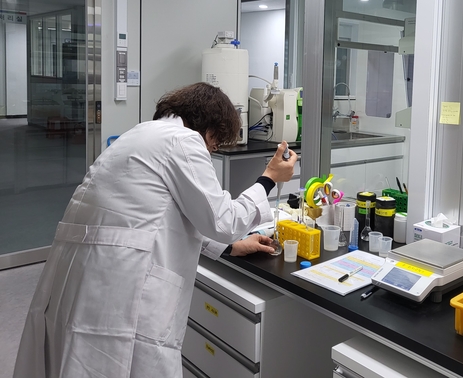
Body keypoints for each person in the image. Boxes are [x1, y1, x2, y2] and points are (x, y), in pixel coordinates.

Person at [13, 82, 298, 378]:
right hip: (124, 280)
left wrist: (230, 247)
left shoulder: (139, 135)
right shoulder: (183, 141)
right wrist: (269, 177)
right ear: (209, 128)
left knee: (75, 358)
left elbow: (161, 216)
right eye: (215, 144)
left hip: (85, 272)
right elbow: (224, 221)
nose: (212, 150)